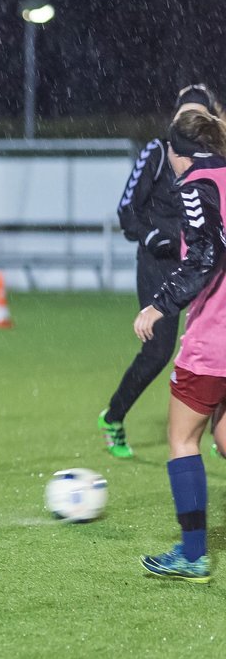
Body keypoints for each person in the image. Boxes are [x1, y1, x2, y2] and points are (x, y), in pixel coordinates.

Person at [98, 84, 221, 458]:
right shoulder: (159, 151)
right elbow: (126, 209)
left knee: (214, 350)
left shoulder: (215, 159)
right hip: (162, 265)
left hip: (209, 264)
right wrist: (153, 237)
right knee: (158, 351)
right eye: (187, 113)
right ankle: (113, 417)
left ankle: (218, 429)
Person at [132, 107, 226, 582]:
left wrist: (158, 305)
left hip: (215, 338)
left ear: (176, 152)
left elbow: (208, 253)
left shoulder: (194, 185)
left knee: (182, 439)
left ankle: (192, 555)